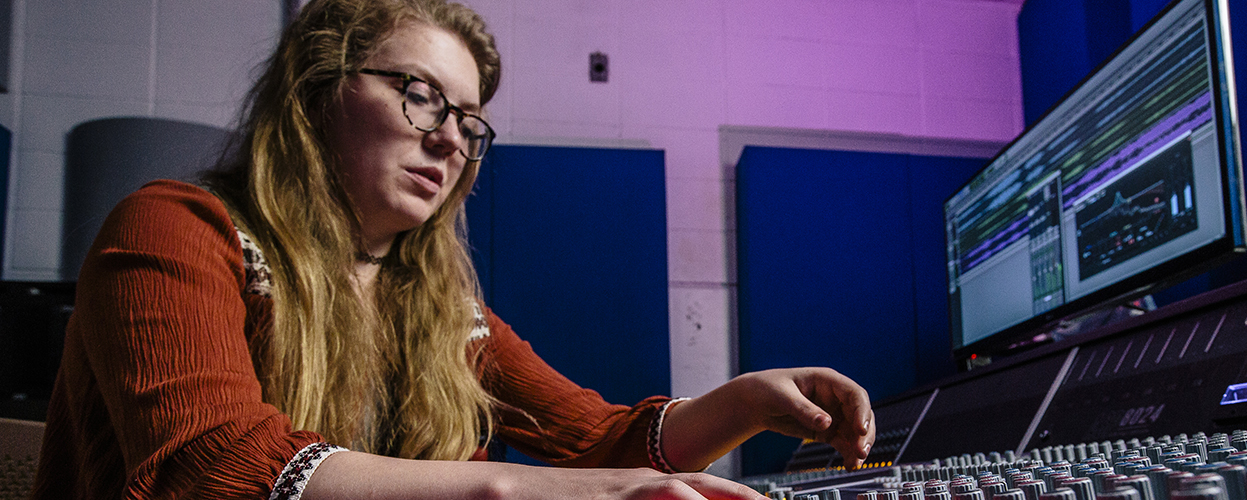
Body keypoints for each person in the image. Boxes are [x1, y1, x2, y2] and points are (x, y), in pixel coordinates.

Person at [31, 0, 876, 498]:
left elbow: (596, 443)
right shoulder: (177, 229)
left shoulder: (440, 308)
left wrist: (737, 404)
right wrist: (508, 487)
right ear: (316, 93)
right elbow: (210, 466)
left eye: (469, 123)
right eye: (422, 98)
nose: (449, 141)